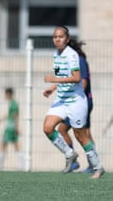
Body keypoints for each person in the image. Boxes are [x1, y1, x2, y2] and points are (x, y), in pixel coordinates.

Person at [43, 25, 104, 179]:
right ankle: (70, 154)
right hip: (62, 100)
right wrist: (53, 87)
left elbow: (77, 78)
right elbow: (63, 77)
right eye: (55, 37)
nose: (57, 39)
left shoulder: (72, 55)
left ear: (67, 39)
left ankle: (97, 166)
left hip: (76, 101)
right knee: (48, 128)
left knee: (80, 136)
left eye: (60, 36)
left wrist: (54, 79)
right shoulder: (56, 54)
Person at [58, 39, 94, 173]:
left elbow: (83, 83)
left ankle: (81, 162)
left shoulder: (79, 60)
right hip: (79, 101)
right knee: (78, 132)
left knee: (68, 130)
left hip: (80, 102)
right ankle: (87, 162)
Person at [0, 87, 24, 170]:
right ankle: (22, 166)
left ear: (9, 94)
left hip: (10, 127)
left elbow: (15, 116)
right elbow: (9, 114)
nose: (5, 96)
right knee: (15, 145)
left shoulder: (14, 104)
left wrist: (17, 128)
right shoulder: (12, 103)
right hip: (11, 127)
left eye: (6, 94)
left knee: (4, 144)